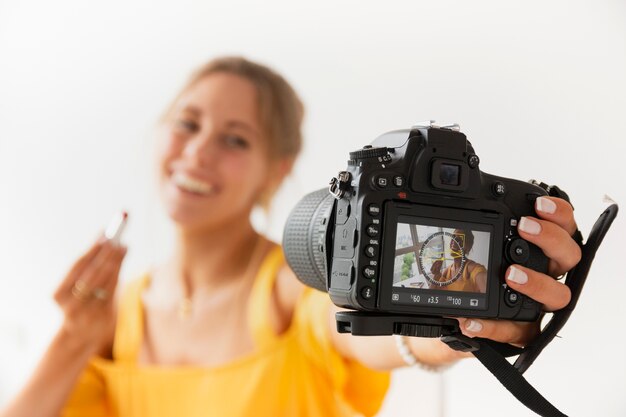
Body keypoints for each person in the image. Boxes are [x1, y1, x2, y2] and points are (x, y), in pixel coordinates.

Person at [0, 56, 581, 417]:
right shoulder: (116, 314)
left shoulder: (291, 288)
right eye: (187, 123)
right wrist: (73, 340)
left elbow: (372, 333)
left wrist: (463, 327)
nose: (198, 151)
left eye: (235, 139)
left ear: (277, 169)